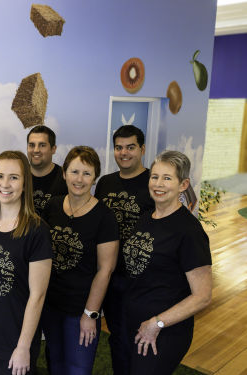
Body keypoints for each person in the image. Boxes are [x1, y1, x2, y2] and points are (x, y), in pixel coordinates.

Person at [123, 150, 212, 375]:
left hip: (163, 332)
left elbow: (202, 296)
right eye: (155, 177)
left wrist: (157, 323)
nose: (158, 184)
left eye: (167, 178)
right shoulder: (145, 218)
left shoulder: (189, 232)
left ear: (183, 185)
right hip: (134, 324)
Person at [40, 146, 119, 374]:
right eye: (74, 172)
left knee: (78, 368)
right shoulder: (52, 206)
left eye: (86, 173)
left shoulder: (105, 216)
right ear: (64, 173)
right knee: (55, 362)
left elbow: (105, 270)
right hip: (51, 304)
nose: (79, 179)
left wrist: (90, 314)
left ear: (95, 178)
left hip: (81, 310)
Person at [0, 151, 52, 375]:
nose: (5, 184)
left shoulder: (37, 230)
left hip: (16, 339)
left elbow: (37, 296)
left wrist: (23, 347)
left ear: (25, 183)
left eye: (14, 177)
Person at [94, 125, 154, 375]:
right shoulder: (105, 183)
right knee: (118, 336)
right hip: (110, 276)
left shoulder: (154, 182)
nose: (124, 153)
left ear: (142, 149)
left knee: (140, 337)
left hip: (142, 280)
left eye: (130, 147)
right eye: (119, 147)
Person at [26, 125, 68, 216]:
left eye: (42, 145)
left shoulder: (66, 179)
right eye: (31, 145)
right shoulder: (17, 176)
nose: (36, 150)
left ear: (53, 149)